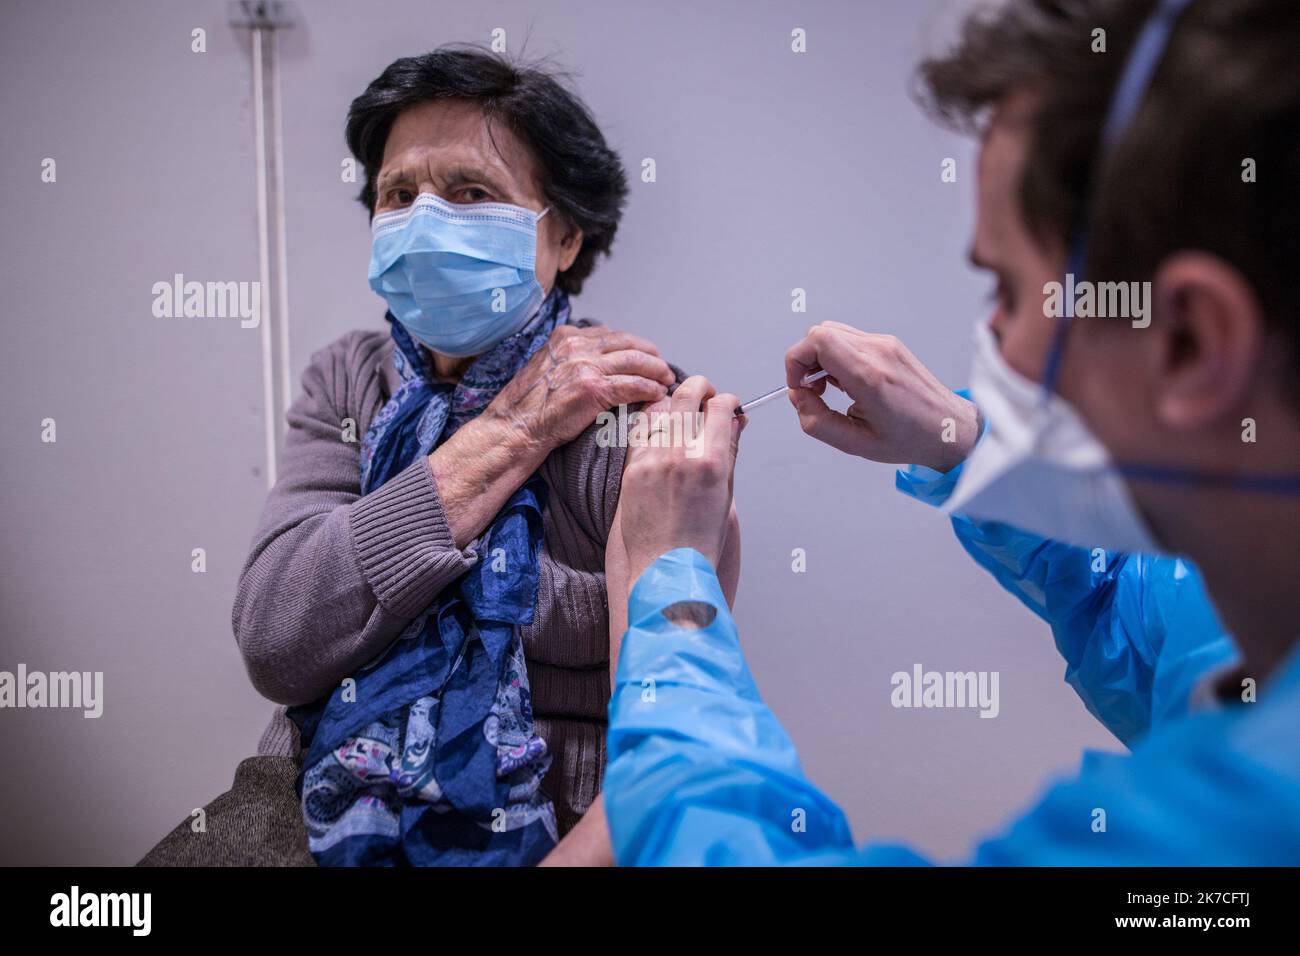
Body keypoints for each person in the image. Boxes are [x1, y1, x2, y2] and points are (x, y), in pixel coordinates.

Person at [600, 0, 1300, 864]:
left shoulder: (1237, 826)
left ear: (1193, 339)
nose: (998, 336)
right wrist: (963, 446)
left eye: (1007, 291)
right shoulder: (1240, 589)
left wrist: (673, 593)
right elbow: (1135, 614)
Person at [140, 46, 738, 866]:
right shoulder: (350, 379)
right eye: (398, 194)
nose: (424, 220)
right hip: (306, 801)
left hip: (544, 817)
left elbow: (671, 716)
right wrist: (512, 431)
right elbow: (278, 637)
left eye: (470, 193)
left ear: (564, 235)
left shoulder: (636, 402)